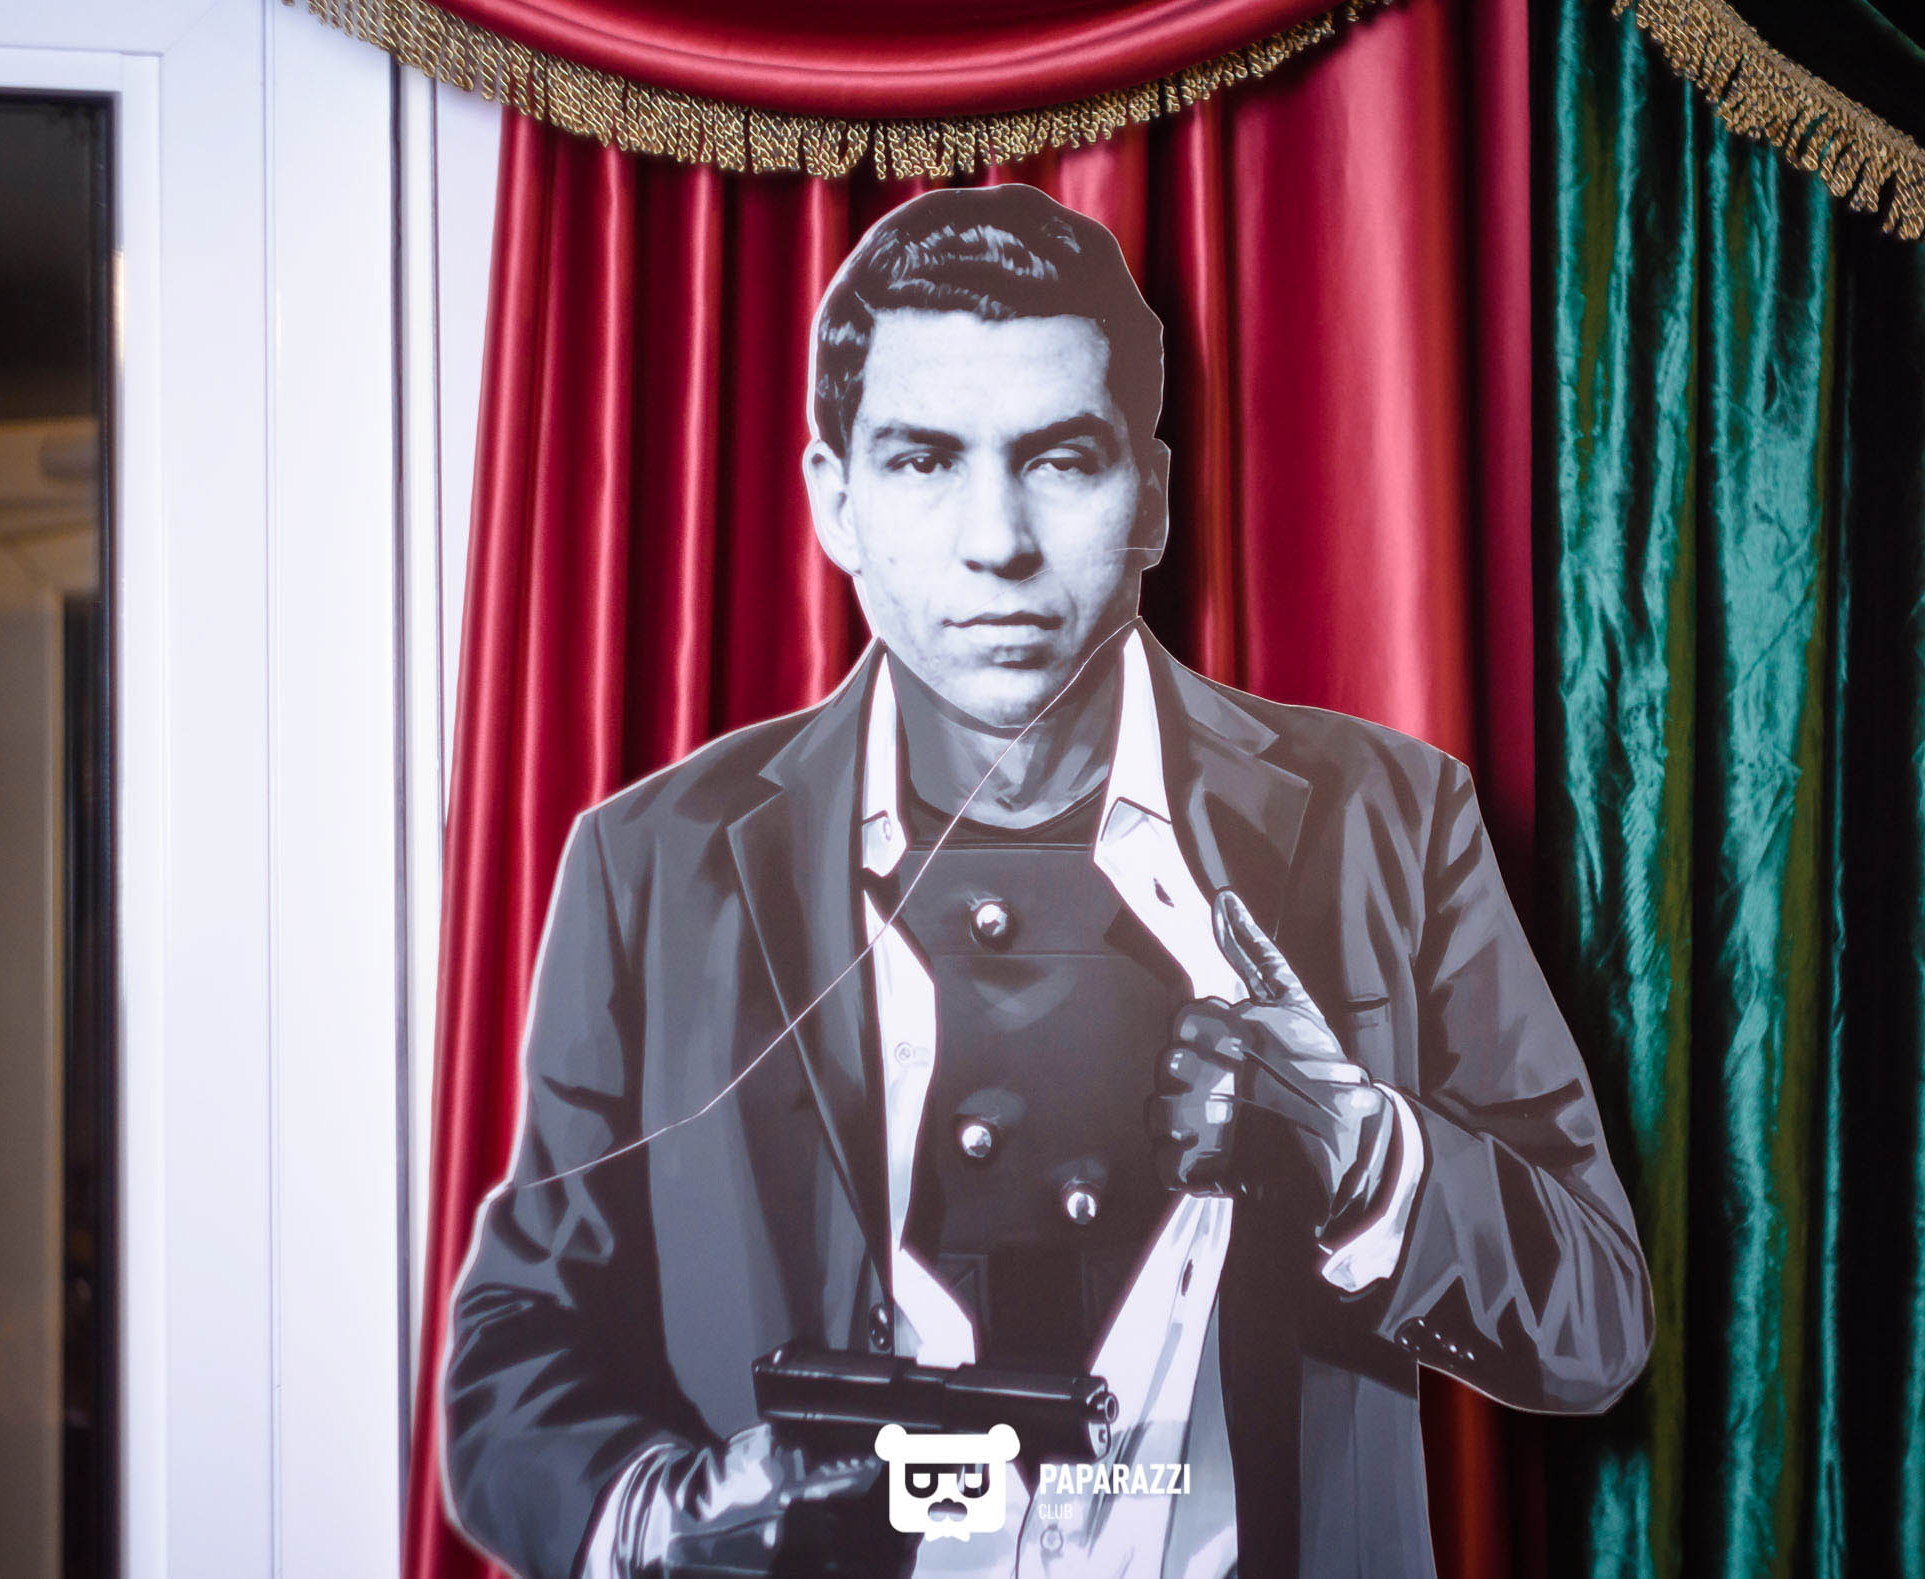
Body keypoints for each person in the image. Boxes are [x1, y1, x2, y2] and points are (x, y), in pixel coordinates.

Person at [441, 184, 1652, 1579]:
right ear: (833, 502)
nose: (997, 541)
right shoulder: (652, 859)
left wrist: (1361, 1152)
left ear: (1154, 500)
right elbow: (513, 1352)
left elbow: (1596, 1325)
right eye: (922, 460)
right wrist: (672, 1513)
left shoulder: (1389, 815)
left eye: (1062, 459)